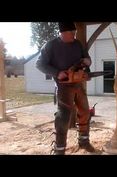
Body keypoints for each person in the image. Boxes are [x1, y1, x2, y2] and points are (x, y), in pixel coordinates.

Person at [36, 22, 95, 155]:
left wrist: (87, 63)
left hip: (78, 84)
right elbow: (39, 64)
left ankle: (84, 141)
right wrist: (57, 73)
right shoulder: (51, 45)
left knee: (85, 112)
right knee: (63, 117)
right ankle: (59, 148)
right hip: (63, 86)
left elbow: (86, 58)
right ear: (62, 33)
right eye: (71, 33)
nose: (74, 36)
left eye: (75, 33)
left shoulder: (77, 44)